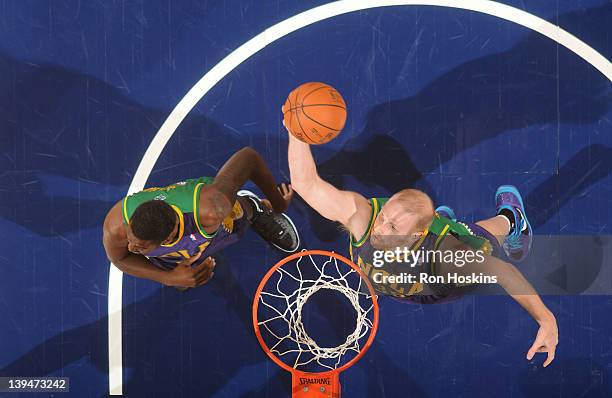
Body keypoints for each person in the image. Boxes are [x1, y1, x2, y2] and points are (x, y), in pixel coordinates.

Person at [287, 132, 558, 367]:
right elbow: (306, 185)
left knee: (484, 237)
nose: (380, 229)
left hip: (438, 285)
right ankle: (442, 219)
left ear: (418, 234)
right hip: (405, 278)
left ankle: (511, 219)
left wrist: (545, 319)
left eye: (393, 227)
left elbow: (504, 273)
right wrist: (297, 131)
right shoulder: (362, 218)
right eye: (384, 217)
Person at [103, 147, 299, 289]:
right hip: (175, 253)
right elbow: (120, 259)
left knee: (239, 215)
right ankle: (180, 270)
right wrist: (168, 278)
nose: (131, 247)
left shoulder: (211, 209)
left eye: (139, 247)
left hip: (215, 218)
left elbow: (249, 158)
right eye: (132, 240)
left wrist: (279, 205)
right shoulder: (118, 228)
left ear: (169, 238)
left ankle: (255, 209)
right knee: (183, 282)